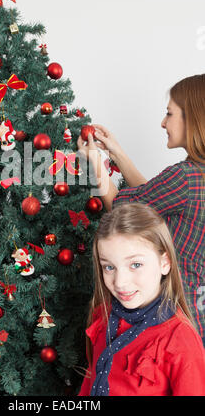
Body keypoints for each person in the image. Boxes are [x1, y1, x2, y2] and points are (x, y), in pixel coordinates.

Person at [77, 74, 205, 345]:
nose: (163, 122)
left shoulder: (185, 177)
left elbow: (126, 213)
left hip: (177, 311)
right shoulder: (193, 180)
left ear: (193, 119)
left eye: (169, 114)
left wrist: (96, 166)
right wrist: (118, 154)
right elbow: (153, 201)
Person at [78, 203, 205, 396]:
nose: (120, 283)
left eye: (135, 264)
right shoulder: (102, 315)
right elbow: (90, 381)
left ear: (165, 263)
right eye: (109, 267)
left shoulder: (181, 339)